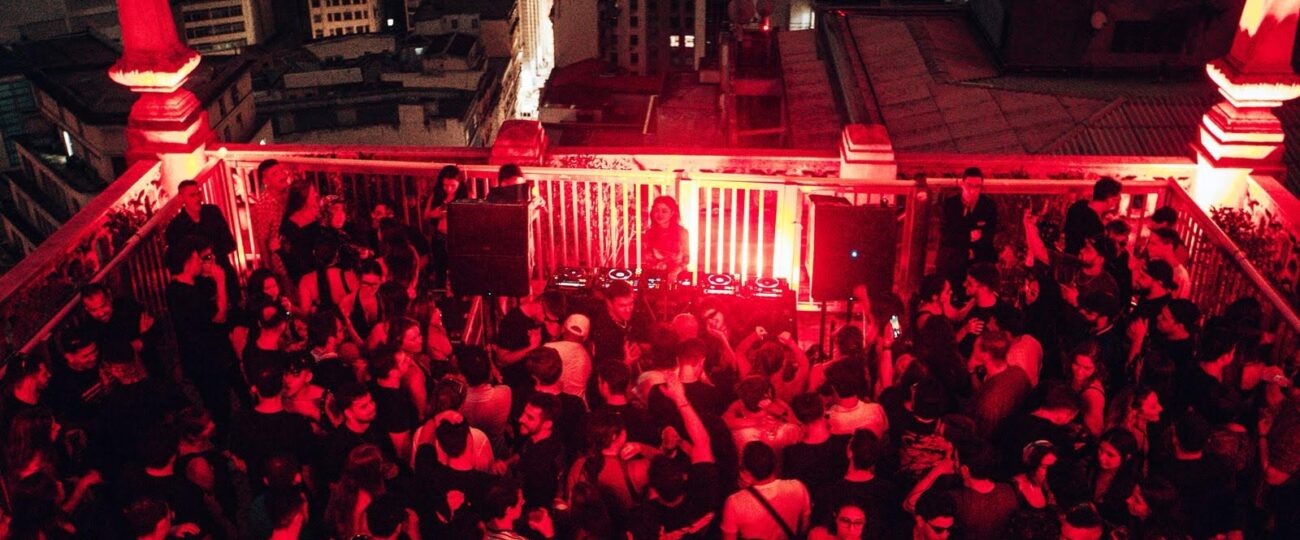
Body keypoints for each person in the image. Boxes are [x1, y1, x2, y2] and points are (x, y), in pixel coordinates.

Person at [165, 235, 236, 425]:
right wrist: (220, 281)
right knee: (220, 407)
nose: (200, 263)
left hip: (194, 358)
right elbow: (220, 317)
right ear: (189, 260)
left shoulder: (173, 290)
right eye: (198, 258)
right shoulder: (188, 293)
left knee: (214, 404)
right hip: (209, 359)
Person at [721, 441, 811, 540]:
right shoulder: (798, 488)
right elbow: (804, 527)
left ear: (747, 472)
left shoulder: (734, 503)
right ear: (775, 463)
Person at [936, 167, 997, 284]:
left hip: (978, 263)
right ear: (962, 184)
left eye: (977, 186)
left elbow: (991, 233)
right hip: (952, 262)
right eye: (969, 185)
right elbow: (945, 234)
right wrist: (968, 236)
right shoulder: (949, 205)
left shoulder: (988, 206)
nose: (972, 190)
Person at [423, 165, 468, 291]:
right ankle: (441, 296)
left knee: (459, 271)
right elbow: (426, 215)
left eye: (452, 185)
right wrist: (434, 214)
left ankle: (458, 295)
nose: (448, 189)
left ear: (460, 183)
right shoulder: (437, 195)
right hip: (440, 236)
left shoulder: (466, 196)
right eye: (445, 185)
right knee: (440, 271)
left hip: (458, 238)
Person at [278, 178, 323, 284]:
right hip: (304, 272)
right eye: (312, 192)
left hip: (319, 267)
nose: (316, 194)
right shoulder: (289, 225)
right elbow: (290, 254)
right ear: (304, 197)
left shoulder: (316, 216)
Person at [1063, 176, 1122, 255]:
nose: (1118, 201)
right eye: (1117, 198)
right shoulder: (1097, 227)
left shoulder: (1078, 206)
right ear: (1110, 198)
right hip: (1078, 260)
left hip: (1067, 254)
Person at [643, 195, 690, 278]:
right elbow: (648, 260)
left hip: (678, 275)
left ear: (672, 213)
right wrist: (657, 267)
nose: (659, 214)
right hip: (656, 275)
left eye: (664, 211)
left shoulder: (682, 232)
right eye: (656, 210)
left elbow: (686, 258)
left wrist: (676, 271)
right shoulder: (649, 233)